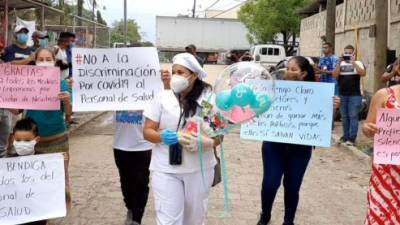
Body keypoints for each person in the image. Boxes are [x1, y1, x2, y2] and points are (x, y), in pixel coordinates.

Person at [257, 56, 339, 225]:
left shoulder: (318, 93)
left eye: (294, 69)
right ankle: (265, 215)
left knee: (293, 186)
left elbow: (323, 122)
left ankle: (289, 221)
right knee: (270, 185)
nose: (289, 72)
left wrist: (333, 108)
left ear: (304, 74)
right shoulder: (274, 89)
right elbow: (258, 109)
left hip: (300, 148)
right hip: (274, 146)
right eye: (288, 68)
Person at [143, 53, 219, 225]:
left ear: (194, 75)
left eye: (181, 72)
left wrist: (208, 142)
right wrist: (162, 136)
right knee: (168, 220)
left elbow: (219, 133)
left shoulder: (207, 100)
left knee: (194, 219)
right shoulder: (162, 97)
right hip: (165, 168)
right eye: (173, 71)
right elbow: (147, 132)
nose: (175, 76)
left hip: (199, 169)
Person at [25, 47, 72, 209]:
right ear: (34, 62)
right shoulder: (26, 84)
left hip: (58, 139)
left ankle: (58, 209)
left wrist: (66, 101)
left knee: (58, 177)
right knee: (35, 179)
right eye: (41, 60)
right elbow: (16, 109)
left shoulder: (61, 84)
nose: (44, 63)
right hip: (31, 142)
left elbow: (68, 114)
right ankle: (40, 212)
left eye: (48, 59)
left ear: (54, 62)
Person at [362, 85, 400, 224]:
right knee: (381, 217)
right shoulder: (384, 95)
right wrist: (368, 128)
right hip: (387, 175)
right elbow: (367, 127)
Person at [113, 110, 153, 225]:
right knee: (125, 182)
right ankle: (130, 208)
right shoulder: (114, 93)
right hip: (120, 145)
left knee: (141, 182)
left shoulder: (149, 94)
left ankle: (137, 217)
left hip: (142, 146)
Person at [11, 118, 49, 225]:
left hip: (38, 213)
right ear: (13, 139)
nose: (22, 143)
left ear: (36, 140)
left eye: (27, 141)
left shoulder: (46, 161)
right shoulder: (6, 163)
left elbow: (54, 183)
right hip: (15, 212)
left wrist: (62, 164)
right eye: (18, 140)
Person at [332, 45, 366, 145]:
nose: (347, 55)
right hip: (342, 94)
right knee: (344, 116)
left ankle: (352, 138)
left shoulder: (358, 63)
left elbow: (363, 73)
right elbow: (334, 75)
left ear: (353, 53)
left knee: (353, 116)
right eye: (345, 53)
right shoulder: (340, 63)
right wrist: (339, 63)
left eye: (349, 53)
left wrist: (354, 63)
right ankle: (345, 136)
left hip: (355, 94)